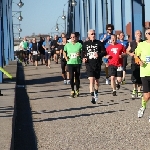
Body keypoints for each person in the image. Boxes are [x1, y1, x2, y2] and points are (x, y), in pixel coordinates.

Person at [82, 29, 106, 104]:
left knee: (96, 81)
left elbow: (104, 52)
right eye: (92, 34)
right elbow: (82, 52)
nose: (93, 35)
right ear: (88, 35)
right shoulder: (85, 44)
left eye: (94, 34)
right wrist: (84, 57)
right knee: (91, 79)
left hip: (97, 64)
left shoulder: (99, 43)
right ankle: (92, 96)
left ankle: (96, 92)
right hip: (89, 64)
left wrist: (99, 55)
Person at [134, 27, 150, 119]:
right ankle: (143, 107)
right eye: (149, 33)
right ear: (146, 35)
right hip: (145, 73)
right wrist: (138, 61)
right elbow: (136, 55)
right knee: (147, 96)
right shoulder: (142, 45)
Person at [63, 32, 82, 98]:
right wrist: (65, 57)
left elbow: (82, 52)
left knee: (77, 77)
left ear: (76, 37)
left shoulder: (79, 44)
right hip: (70, 63)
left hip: (77, 62)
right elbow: (64, 51)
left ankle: (77, 89)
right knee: (71, 77)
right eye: (71, 37)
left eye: (74, 37)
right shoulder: (67, 45)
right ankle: (72, 90)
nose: (72, 38)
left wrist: (80, 54)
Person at [126, 30, 143, 98]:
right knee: (134, 77)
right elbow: (127, 50)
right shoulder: (132, 43)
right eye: (137, 33)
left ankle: (139, 91)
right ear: (135, 35)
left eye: (140, 33)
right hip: (134, 62)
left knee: (141, 77)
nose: (139, 35)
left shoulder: (143, 42)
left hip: (142, 62)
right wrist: (130, 53)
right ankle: (134, 89)